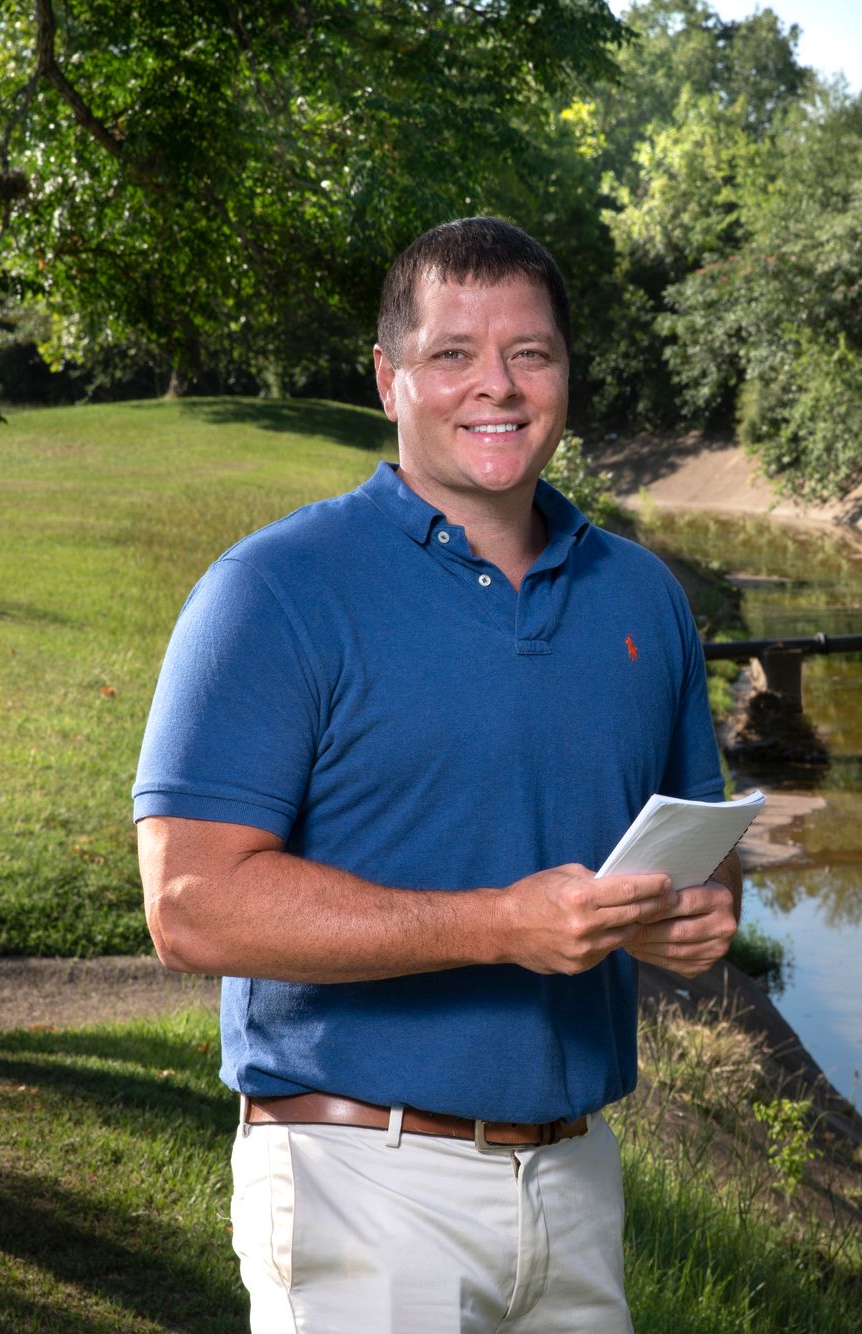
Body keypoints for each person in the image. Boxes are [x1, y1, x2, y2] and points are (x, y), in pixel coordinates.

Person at [132, 216, 741, 1332]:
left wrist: (688, 917)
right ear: (388, 379)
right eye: (452, 353)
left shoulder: (640, 595)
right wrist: (499, 924)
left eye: (530, 353)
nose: (495, 386)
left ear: (564, 372)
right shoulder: (273, 589)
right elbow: (189, 907)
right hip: (357, 1176)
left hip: (576, 1180)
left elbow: (703, 848)